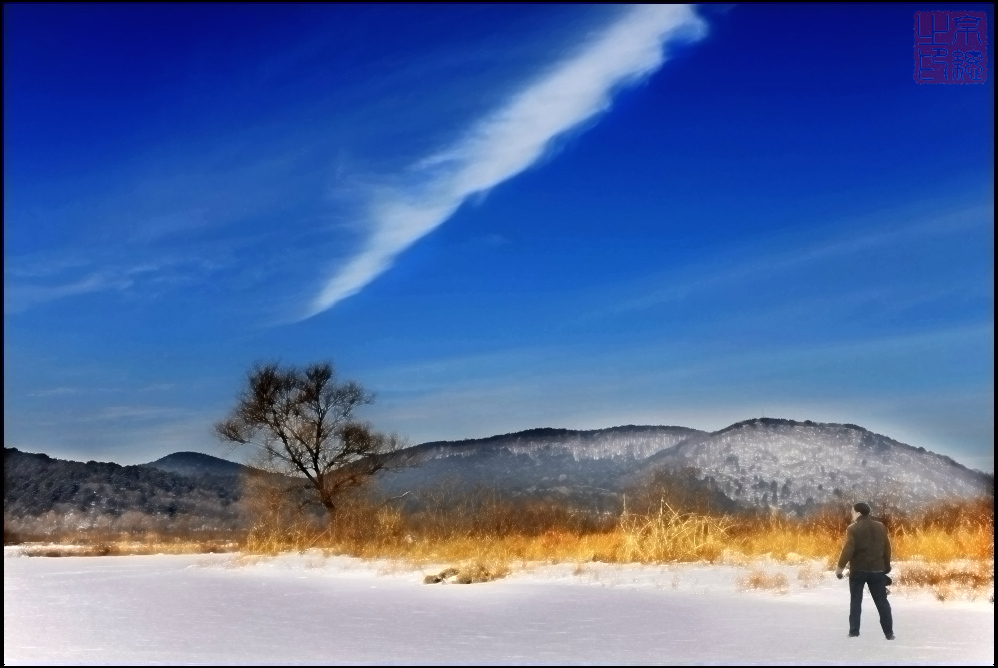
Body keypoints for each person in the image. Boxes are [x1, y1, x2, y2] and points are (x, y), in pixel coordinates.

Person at [835, 502, 894, 639]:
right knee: (882, 603)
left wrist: (840, 568)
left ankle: (854, 632)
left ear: (858, 513)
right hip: (877, 571)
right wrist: (886, 567)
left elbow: (848, 549)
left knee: (856, 602)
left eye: (852, 512)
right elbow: (887, 548)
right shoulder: (881, 527)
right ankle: (889, 633)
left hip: (858, 571)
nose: (851, 514)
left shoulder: (853, 528)